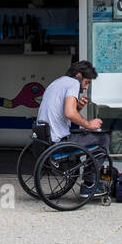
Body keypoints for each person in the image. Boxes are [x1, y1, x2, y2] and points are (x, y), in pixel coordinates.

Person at [35, 60, 110, 195]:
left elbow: (62, 113)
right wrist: (88, 124)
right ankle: (90, 184)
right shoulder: (73, 83)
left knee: (89, 134)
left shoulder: (57, 82)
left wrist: (79, 107)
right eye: (86, 82)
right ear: (79, 75)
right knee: (103, 138)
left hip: (45, 137)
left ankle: (90, 181)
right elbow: (69, 113)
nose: (86, 87)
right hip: (58, 141)